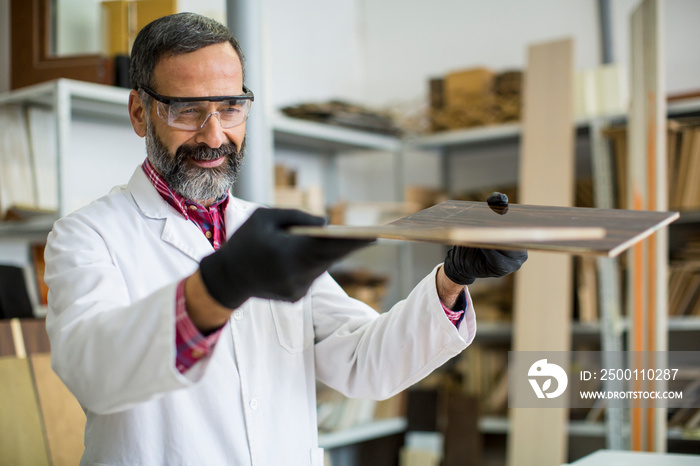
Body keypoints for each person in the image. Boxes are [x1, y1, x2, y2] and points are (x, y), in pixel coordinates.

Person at [44, 12, 527, 466]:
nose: (214, 136)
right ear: (139, 113)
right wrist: (216, 288)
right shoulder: (87, 237)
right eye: (187, 111)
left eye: (231, 107)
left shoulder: (268, 230)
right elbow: (95, 374)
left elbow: (364, 362)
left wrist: (451, 280)